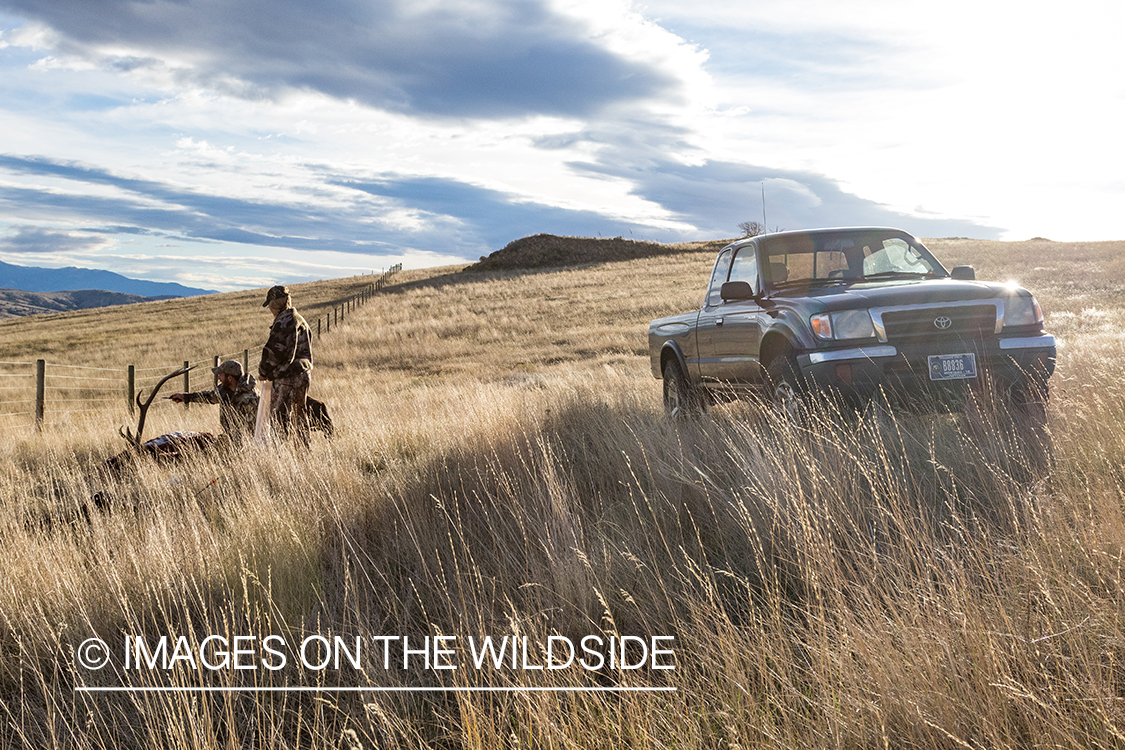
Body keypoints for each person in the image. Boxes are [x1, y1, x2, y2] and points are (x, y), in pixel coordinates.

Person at [258, 285, 313, 447]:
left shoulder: (283, 322)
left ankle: (280, 456)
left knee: (279, 418)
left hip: (285, 378)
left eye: (270, 305)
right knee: (300, 416)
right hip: (303, 375)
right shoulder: (301, 320)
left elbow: (274, 351)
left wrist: (264, 371)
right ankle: (303, 453)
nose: (270, 309)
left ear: (276, 304)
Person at [169, 360, 260, 445]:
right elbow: (209, 397)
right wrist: (185, 397)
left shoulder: (250, 399)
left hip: (246, 443)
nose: (219, 377)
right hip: (230, 440)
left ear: (230, 378)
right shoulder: (225, 391)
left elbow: (252, 430)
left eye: (221, 375)